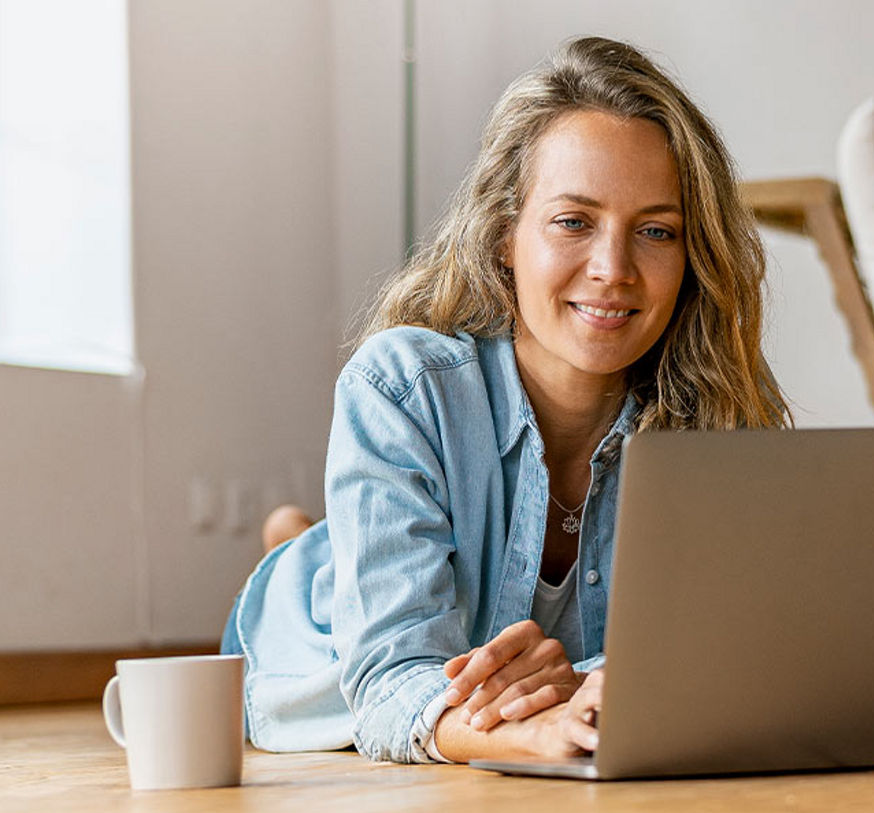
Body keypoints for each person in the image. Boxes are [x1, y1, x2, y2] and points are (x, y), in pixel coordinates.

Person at [221, 36, 790, 764]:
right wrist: (531, 727)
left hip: (491, 671)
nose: (613, 270)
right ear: (503, 237)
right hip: (307, 640)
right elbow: (390, 689)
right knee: (319, 584)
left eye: (655, 230)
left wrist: (570, 687)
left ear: (691, 255)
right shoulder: (400, 386)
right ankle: (297, 546)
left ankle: (310, 530)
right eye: (573, 221)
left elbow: (715, 659)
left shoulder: (714, 421)